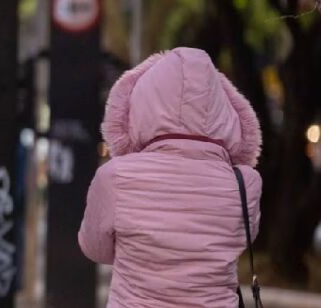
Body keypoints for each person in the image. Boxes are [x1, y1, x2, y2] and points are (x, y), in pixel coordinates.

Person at [78, 47, 262, 307]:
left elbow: (93, 247)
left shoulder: (115, 177)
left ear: (140, 104)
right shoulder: (245, 184)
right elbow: (242, 239)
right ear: (225, 108)